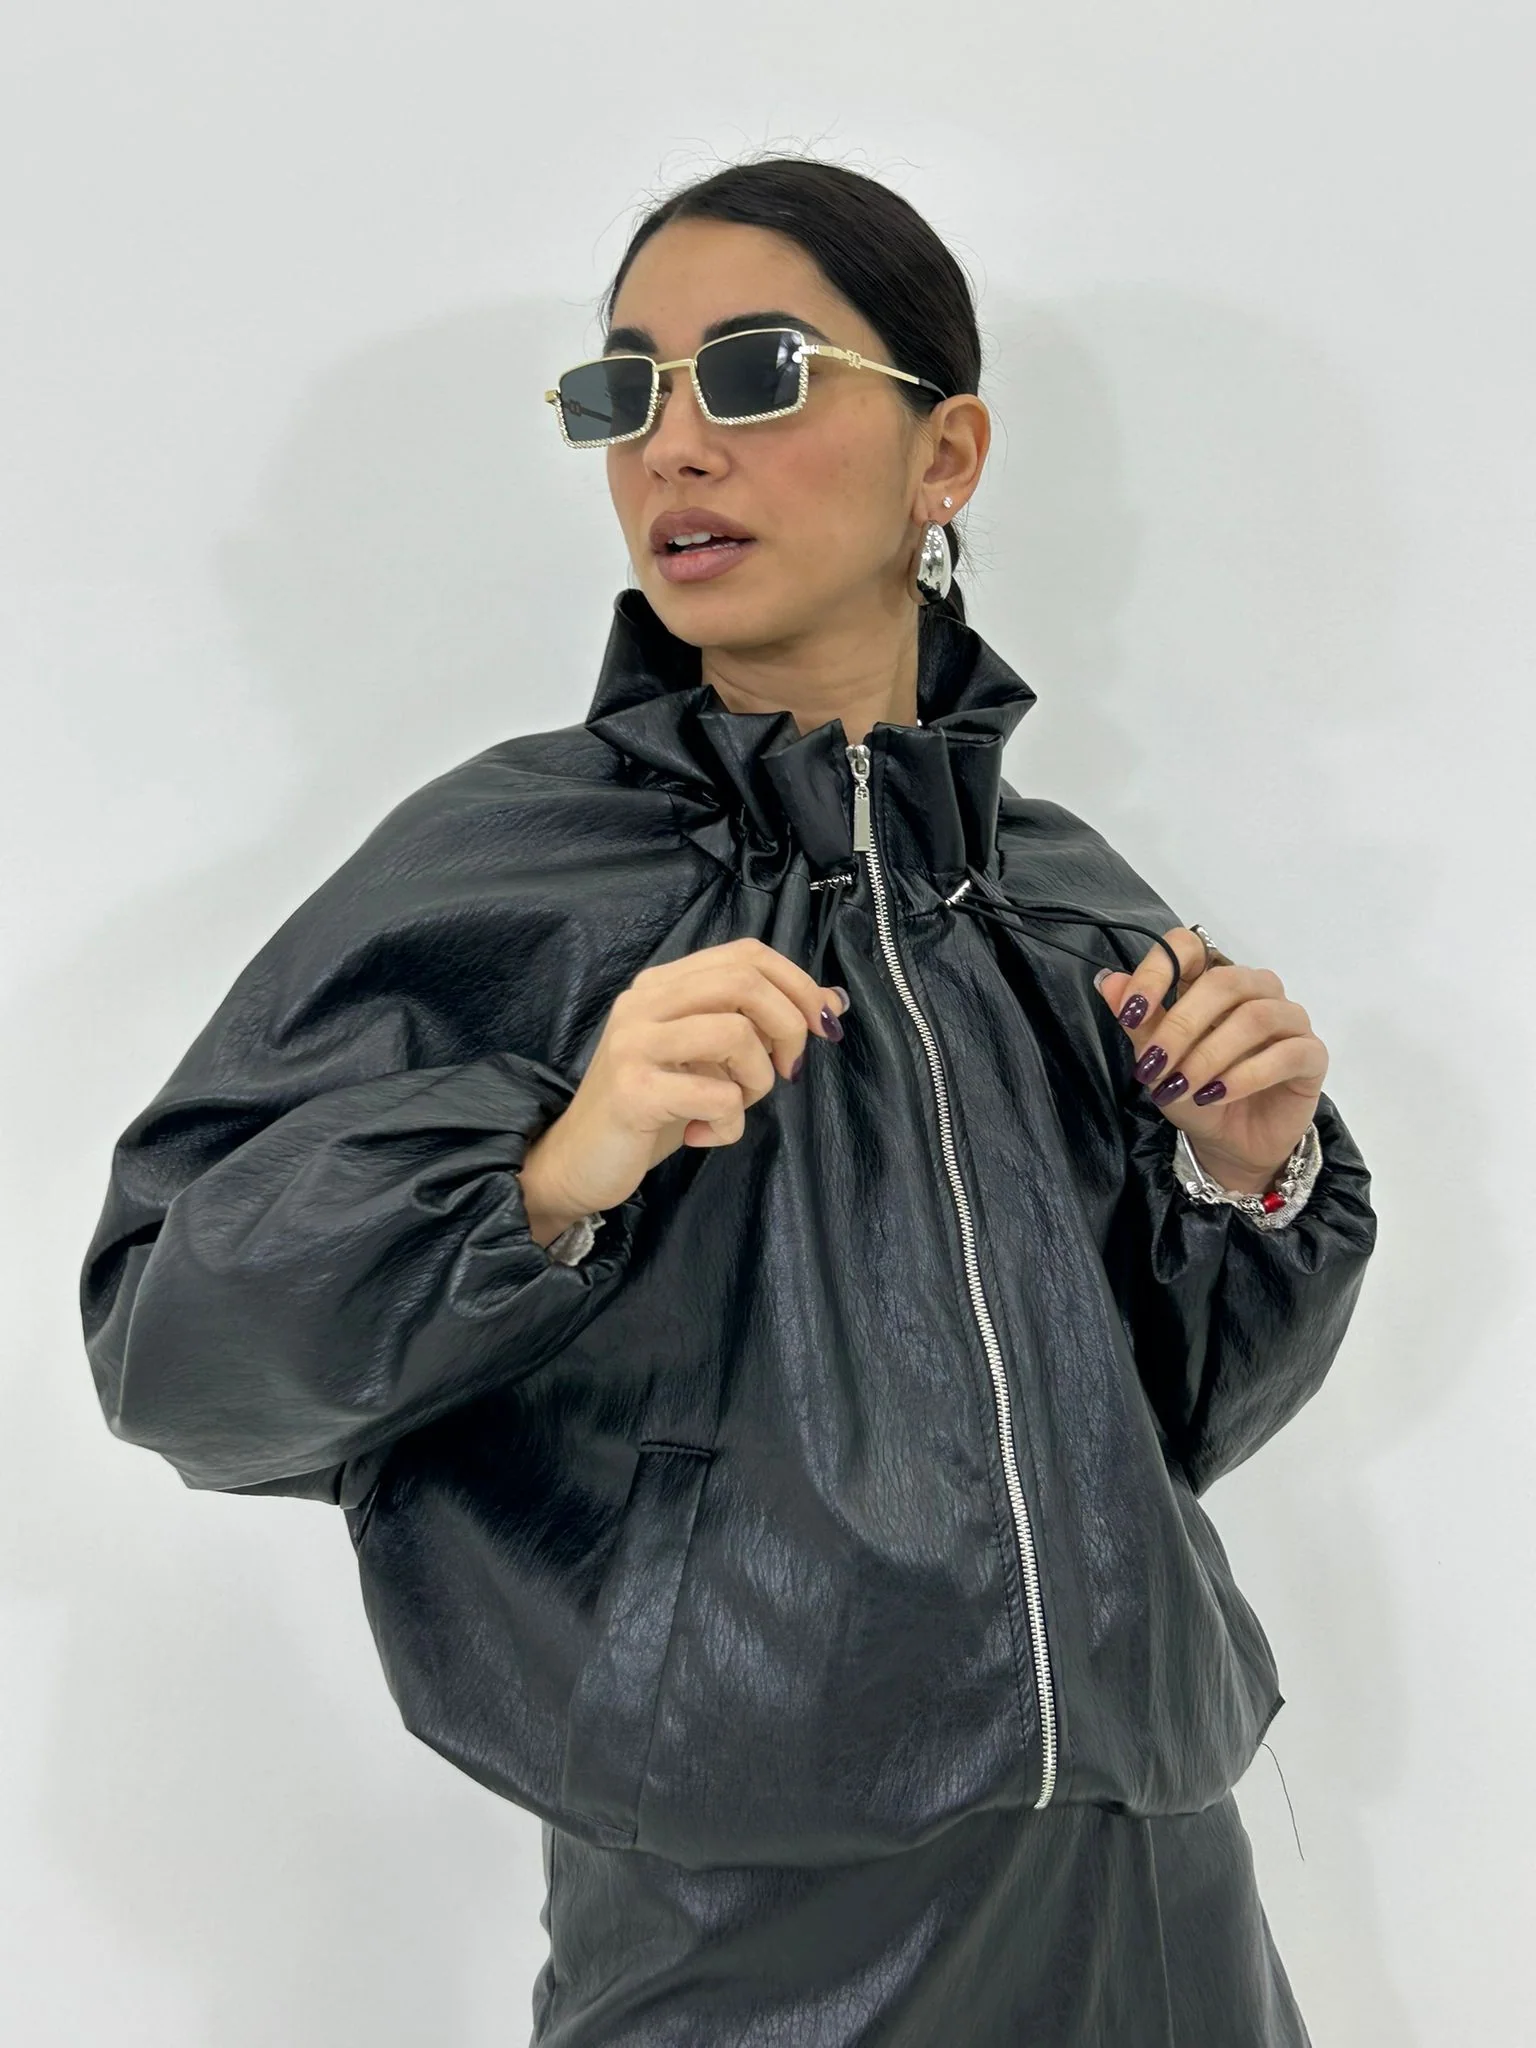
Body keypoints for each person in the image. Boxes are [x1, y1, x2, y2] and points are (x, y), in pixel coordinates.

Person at [79, 155, 1377, 2045]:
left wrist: (1244, 1184)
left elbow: (1161, 1432)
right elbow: (177, 1345)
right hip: (748, 1928)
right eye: (627, 391)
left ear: (946, 456)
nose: (675, 446)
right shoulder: (517, 866)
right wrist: (549, 1173)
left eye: (758, 372)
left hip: (1157, 1889)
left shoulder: (1066, 897)